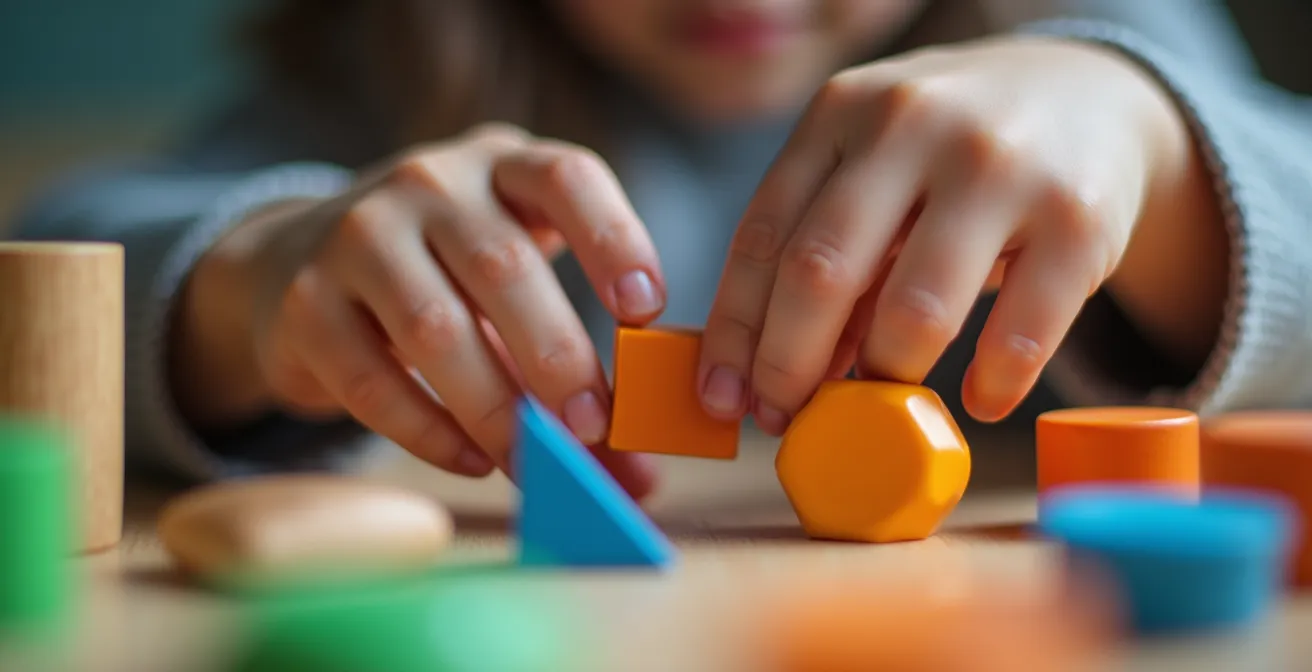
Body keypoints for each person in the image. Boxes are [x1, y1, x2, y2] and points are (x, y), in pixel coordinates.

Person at [9, 0, 1312, 500]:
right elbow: (55, 262)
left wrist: (1152, 146)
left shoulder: (1103, 31)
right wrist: (252, 284)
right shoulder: (394, 63)